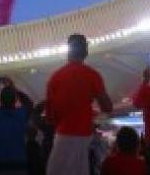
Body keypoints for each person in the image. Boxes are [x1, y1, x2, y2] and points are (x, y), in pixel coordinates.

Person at [45, 35, 113, 175]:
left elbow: (50, 117)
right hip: (84, 136)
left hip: (63, 135)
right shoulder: (93, 75)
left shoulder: (55, 77)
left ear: (68, 51)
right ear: (85, 51)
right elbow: (107, 107)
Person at [0, 77, 34, 175]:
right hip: (18, 162)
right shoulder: (21, 114)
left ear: (0, 100)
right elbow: (29, 103)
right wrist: (13, 88)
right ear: (15, 100)